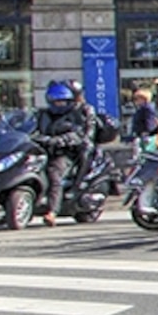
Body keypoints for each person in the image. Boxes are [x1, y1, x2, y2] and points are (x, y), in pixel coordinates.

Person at [29, 81, 100, 224]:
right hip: (42, 151)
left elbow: (80, 133)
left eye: (62, 102)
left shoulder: (78, 113)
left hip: (64, 152)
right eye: (55, 101)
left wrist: (60, 140)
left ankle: (52, 211)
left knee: (54, 175)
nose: (58, 104)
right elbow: (29, 127)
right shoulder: (43, 114)